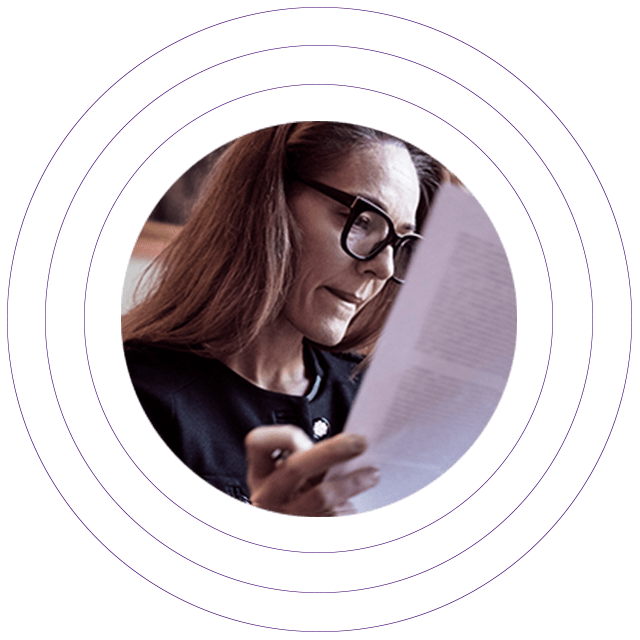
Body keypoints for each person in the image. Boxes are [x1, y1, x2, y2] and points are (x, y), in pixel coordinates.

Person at [121, 121, 443, 517]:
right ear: (268, 202)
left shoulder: (373, 400)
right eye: (361, 221)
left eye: (399, 242)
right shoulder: (145, 394)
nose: (383, 267)